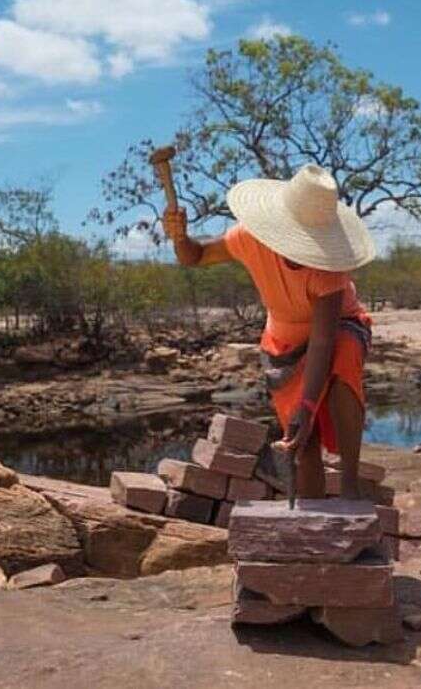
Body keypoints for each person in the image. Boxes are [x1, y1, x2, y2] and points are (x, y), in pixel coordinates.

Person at [161, 164, 376, 499]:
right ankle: (309, 514)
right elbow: (196, 256)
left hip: (339, 329)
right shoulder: (251, 238)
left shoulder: (329, 271)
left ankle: (350, 486)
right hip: (283, 338)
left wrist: (308, 403)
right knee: (300, 438)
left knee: (344, 356)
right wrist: (179, 237)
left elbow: (323, 341)